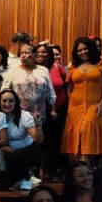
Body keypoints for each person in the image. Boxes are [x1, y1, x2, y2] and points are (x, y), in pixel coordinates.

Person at [62, 37, 102, 163]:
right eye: (79, 50)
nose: (82, 52)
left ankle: (86, 166)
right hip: (75, 107)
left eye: (85, 49)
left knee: (85, 130)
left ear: (91, 48)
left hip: (95, 105)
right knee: (75, 136)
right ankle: (77, 169)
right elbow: (69, 87)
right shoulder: (74, 65)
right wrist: (70, 104)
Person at [0, 89, 42, 191]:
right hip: (5, 151)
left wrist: (38, 125)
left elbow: (37, 139)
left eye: (11, 101)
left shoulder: (25, 116)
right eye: (4, 101)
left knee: (19, 154)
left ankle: (25, 178)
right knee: (3, 185)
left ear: (16, 103)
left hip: (28, 150)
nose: (7, 104)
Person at [35, 43, 68, 180]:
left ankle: (54, 171)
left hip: (59, 110)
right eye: (38, 52)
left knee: (56, 141)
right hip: (40, 110)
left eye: (44, 52)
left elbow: (66, 86)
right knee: (42, 141)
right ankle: (41, 171)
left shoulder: (58, 67)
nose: (41, 54)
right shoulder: (34, 69)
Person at [2, 43, 55, 125]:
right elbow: (4, 91)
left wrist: (53, 110)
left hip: (40, 116)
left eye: (26, 53)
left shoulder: (43, 70)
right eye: (21, 53)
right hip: (19, 117)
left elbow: (50, 92)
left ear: (34, 55)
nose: (23, 56)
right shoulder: (12, 71)